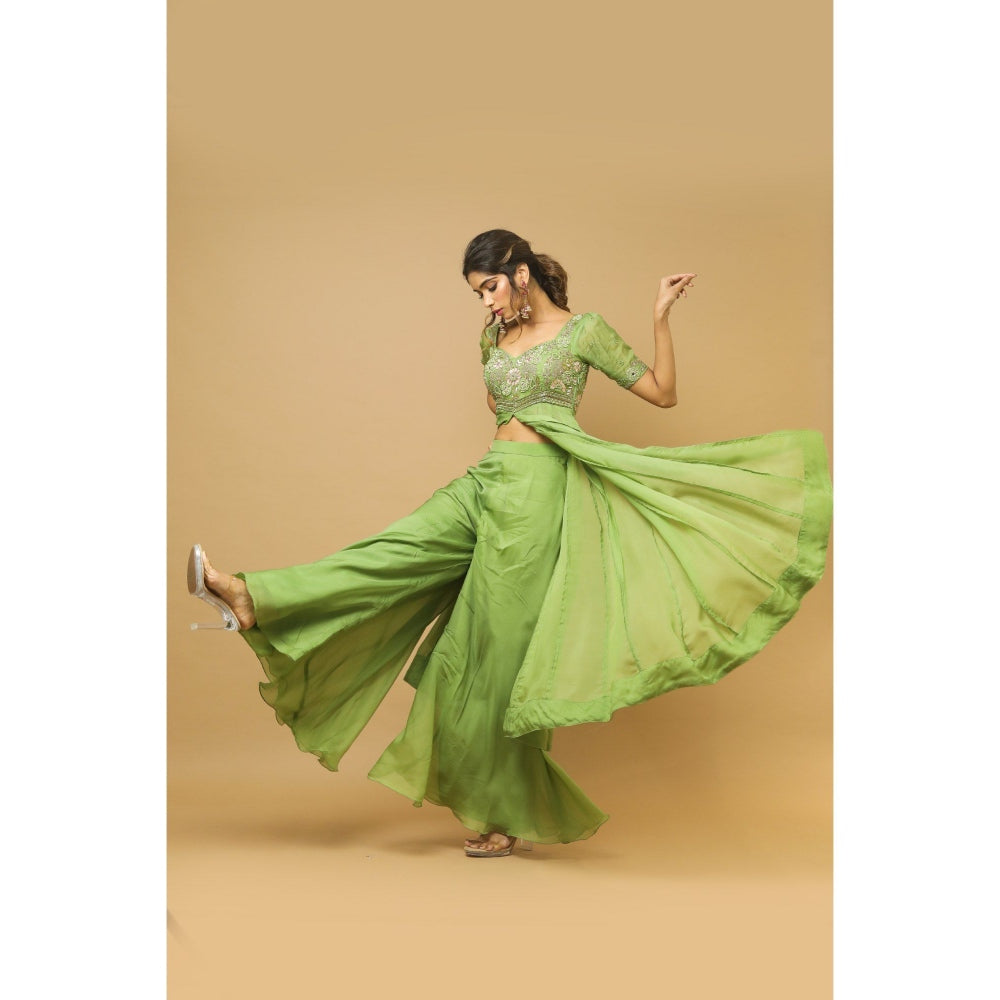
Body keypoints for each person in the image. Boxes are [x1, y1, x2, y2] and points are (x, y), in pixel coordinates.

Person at [188, 228, 832, 859]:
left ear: (521, 273)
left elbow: (663, 395)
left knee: (497, 659)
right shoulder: (492, 337)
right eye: (477, 293)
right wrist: (502, 362)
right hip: (488, 480)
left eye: (490, 287)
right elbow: (504, 412)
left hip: (537, 502)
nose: (485, 302)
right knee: (395, 550)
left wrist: (660, 317)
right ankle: (252, 597)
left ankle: (502, 811)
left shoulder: (584, 332)